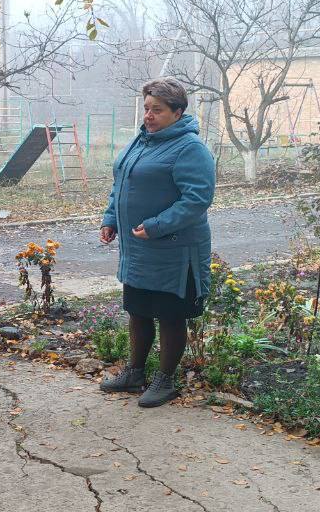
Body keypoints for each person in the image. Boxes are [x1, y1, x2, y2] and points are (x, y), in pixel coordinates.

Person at [98, 78, 216, 408]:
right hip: (139, 249)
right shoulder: (142, 141)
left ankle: (165, 380)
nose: (149, 115)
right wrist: (111, 219)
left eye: (158, 110)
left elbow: (197, 199)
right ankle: (134, 372)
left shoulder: (190, 149)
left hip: (174, 251)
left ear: (178, 112)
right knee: (138, 310)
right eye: (147, 108)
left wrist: (156, 226)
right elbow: (120, 184)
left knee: (169, 315)